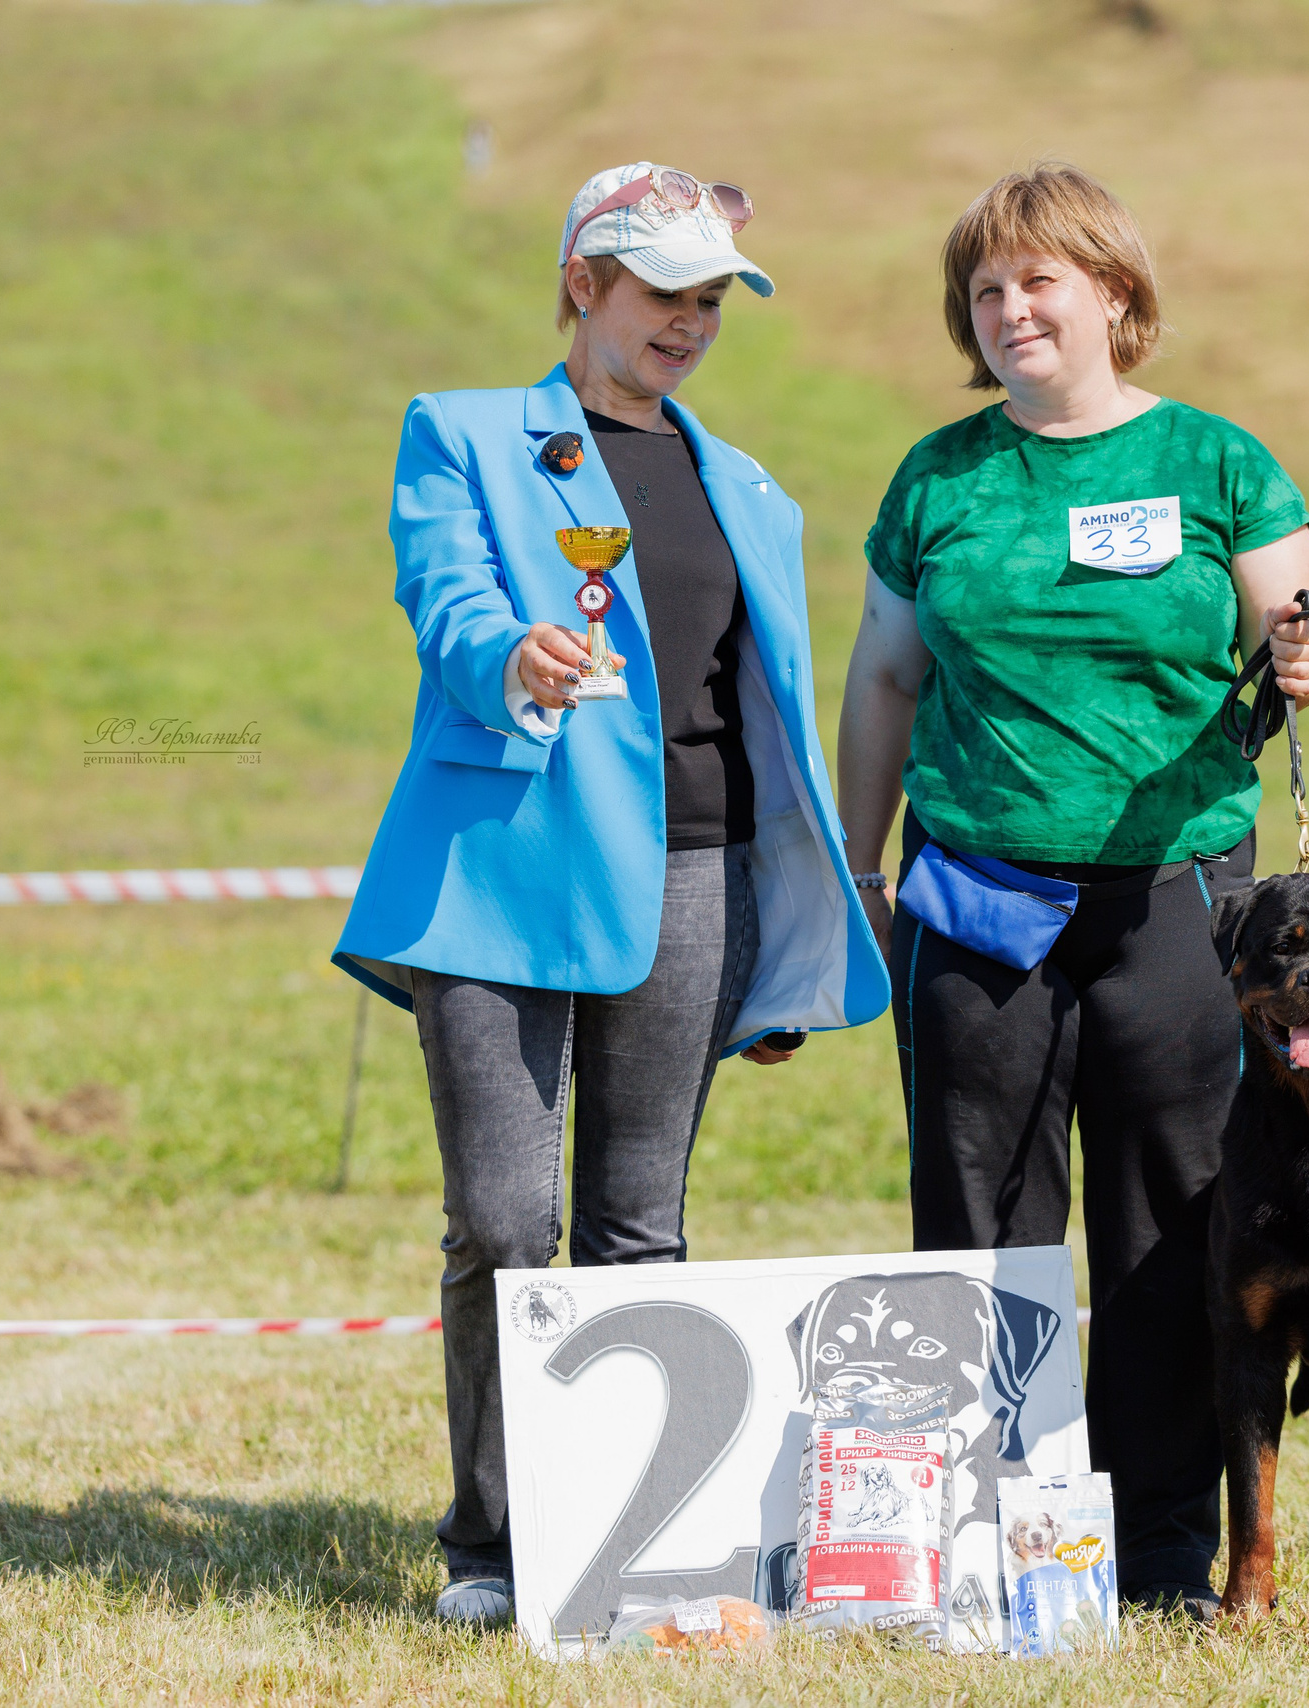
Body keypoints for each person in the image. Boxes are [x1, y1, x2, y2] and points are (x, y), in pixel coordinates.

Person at [335, 161, 888, 1626]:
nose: (691, 324)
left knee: (640, 1224)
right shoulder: (460, 436)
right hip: (499, 881)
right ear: (584, 286)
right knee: (506, 1227)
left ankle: (615, 1550)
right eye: (664, 295)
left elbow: (758, 714)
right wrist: (509, 656)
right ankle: (491, 1544)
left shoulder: (749, 486)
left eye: (712, 301)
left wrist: (782, 936)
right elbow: (445, 599)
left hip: (697, 882)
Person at [834, 164, 1309, 1622]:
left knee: (1171, 1218)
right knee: (977, 1210)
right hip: (977, 890)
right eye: (983, 292)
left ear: (1113, 294)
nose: (1008, 310)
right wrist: (862, 868)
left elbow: (1295, 631)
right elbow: (881, 676)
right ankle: (988, 1525)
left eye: (1037, 280)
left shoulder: (1218, 461)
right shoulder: (939, 476)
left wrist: (1307, 656)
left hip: (1179, 900)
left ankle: (1162, 1542)